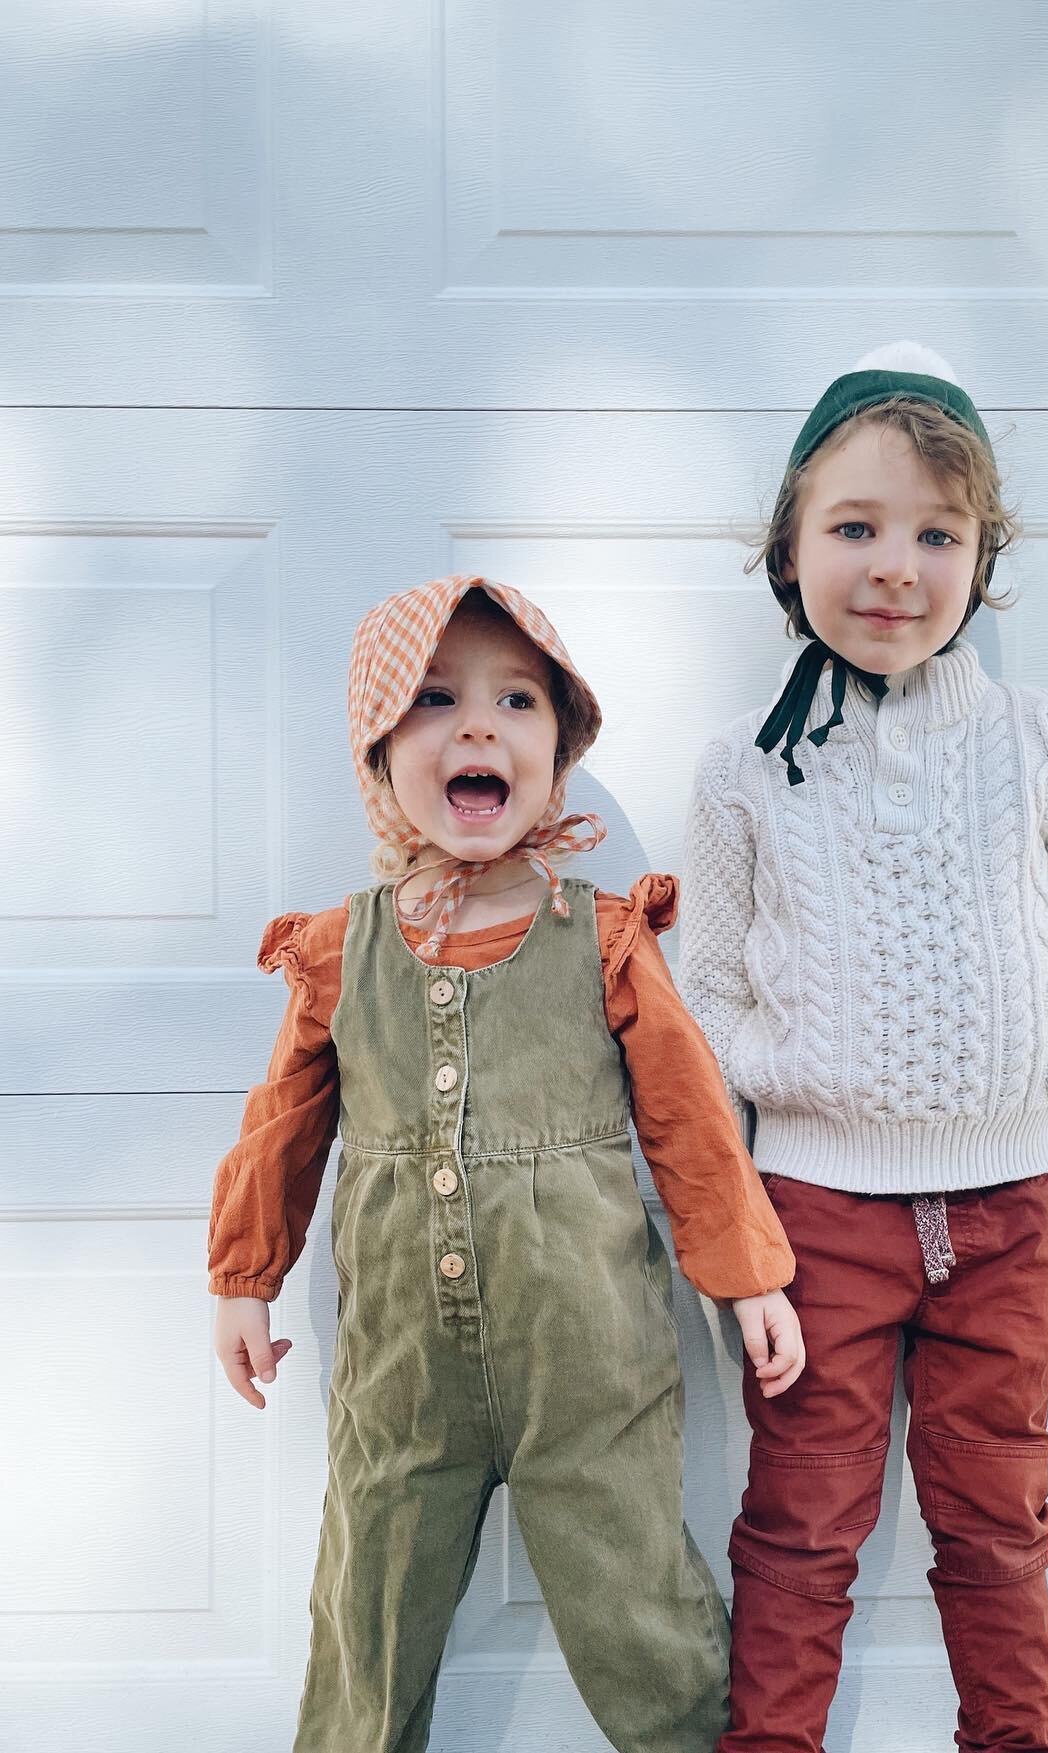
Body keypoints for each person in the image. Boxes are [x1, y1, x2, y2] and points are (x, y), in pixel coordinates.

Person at [207, 574, 803, 1753]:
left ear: (558, 746)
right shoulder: (341, 950)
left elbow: (690, 1124)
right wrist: (243, 1276)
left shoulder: (609, 936)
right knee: (365, 1633)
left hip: (591, 1370)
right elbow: (283, 1124)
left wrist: (748, 1276)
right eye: (435, 699)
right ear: (380, 752)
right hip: (399, 1385)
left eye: (516, 699)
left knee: (645, 1620)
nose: (478, 724)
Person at [680, 344, 1048, 1752]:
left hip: (1010, 1211)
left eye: (938, 533)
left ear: (981, 556)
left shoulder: (1041, 739)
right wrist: (788, 1081)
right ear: (790, 547)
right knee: (802, 1523)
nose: (895, 566)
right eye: (856, 528)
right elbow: (702, 996)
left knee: (998, 1524)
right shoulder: (746, 766)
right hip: (816, 1214)